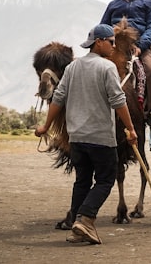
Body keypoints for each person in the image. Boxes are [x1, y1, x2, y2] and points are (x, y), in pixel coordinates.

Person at [35, 24, 137, 246]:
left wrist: (46, 126)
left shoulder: (73, 68)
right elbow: (119, 101)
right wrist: (131, 128)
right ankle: (87, 220)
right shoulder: (107, 67)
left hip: (77, 138)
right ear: (98, 42)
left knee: (82, 181)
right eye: (111, 41)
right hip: (101, 138)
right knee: (106, 179)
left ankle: (76, 227)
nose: (113, 45)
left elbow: (58, 99)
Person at [101, 0, 151, 125]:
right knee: (93, 68)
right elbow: (103, 26)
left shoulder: (149, 3)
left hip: (139, 45)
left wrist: (141, 45)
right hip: (115, 46)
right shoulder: (113, 4)